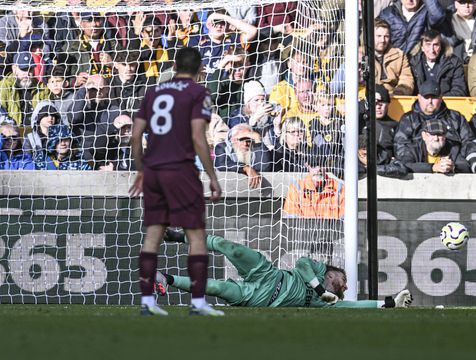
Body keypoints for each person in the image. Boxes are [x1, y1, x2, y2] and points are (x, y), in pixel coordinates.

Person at [129, 47, 223, 317]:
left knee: (153, 235)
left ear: (175, 65)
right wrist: (212, 176)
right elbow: (197, 136)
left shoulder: (153, 92)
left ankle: (147, 301)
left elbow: (135, 136)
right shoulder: (198, 93)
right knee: (196, 235)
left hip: (154, 171)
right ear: (199, 69)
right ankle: (198, 303)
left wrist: (140, 170)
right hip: (181, 170)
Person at [155, 231, 413, 308]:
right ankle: (178, 237)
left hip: (259, 299)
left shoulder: (328, 303)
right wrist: (319, 288)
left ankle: (166, 278)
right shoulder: (316, 270)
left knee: (218, 287)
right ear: (332, 273)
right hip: (266, 273)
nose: (345, 286)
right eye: (343, 280)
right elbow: (301, 264)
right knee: (228, 247)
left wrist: (389, 303)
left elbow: (355, 306)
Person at [394, 80, 475, 159]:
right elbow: (400, 147)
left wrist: (453, 162)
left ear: (441, 98)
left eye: (434, 97)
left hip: (453, 166)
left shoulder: (456, 117)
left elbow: (469, 142)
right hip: (419, 169)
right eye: (426, 97)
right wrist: (425, 167)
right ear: (419, 97)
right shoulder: (408, 119)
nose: (430, 101)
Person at [214, 123, 274, 189]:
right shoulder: (222, 147)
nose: (245, 144)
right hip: (227, 188)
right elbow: (222, 165)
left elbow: (264, 168)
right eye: (241, 139)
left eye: (248, 140)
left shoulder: (256, 147)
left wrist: (257, 139)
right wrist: (245, 168)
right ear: (233, 139)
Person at [409, 29, 467, 96]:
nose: (432, 50)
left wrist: (437, 100)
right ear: (422, 47)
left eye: (435, 45)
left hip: (445, 104)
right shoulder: (413, 63)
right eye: (428, 45)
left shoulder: (453, 63)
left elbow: (459, 90)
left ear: (441, 46)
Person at [398, 118, 470, 173]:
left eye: (439, 135)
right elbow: (405, 165)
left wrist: (452, 167)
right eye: (432, 134)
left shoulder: (453, 148)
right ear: (424, 136)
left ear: (445, 136)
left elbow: (465, 166)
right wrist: (433, 168)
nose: (436, 138)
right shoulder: (412, 149)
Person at [377, 0, 446, 55]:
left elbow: (438, 16)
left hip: (418, 64)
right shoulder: (388, 13)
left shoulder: (426, 13)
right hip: (395, 63)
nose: (410, 0)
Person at [0, 51, 49, 126]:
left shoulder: (41, 87)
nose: (27, 74)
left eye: (30, 69)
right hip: (13, 131)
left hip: (37, 130)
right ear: (14, 68)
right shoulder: (4, 86)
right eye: (24, 69)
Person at [372, 19, 415, 95]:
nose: (383, 40)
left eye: (386, 36)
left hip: (393, 97)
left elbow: (407, 80)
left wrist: (398, 93)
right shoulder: (360, 55)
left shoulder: (399, 55)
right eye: (379, 36)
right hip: (369, 96)